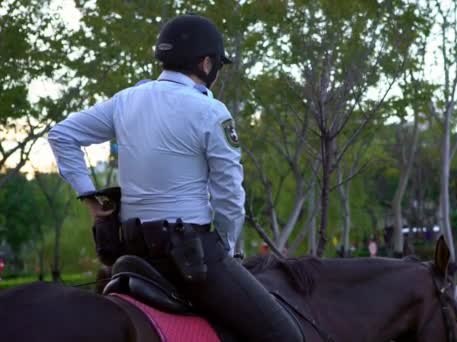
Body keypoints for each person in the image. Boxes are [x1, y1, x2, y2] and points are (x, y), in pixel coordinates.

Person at [48, 14, 302, 342]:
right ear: (207, 63)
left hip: (131, 255)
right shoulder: (211, 112)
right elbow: (228, 196)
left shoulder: (125, 101)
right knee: (286, 337)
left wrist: (89, 198)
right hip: (192, 257)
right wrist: (226, 246)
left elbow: (61, 135)